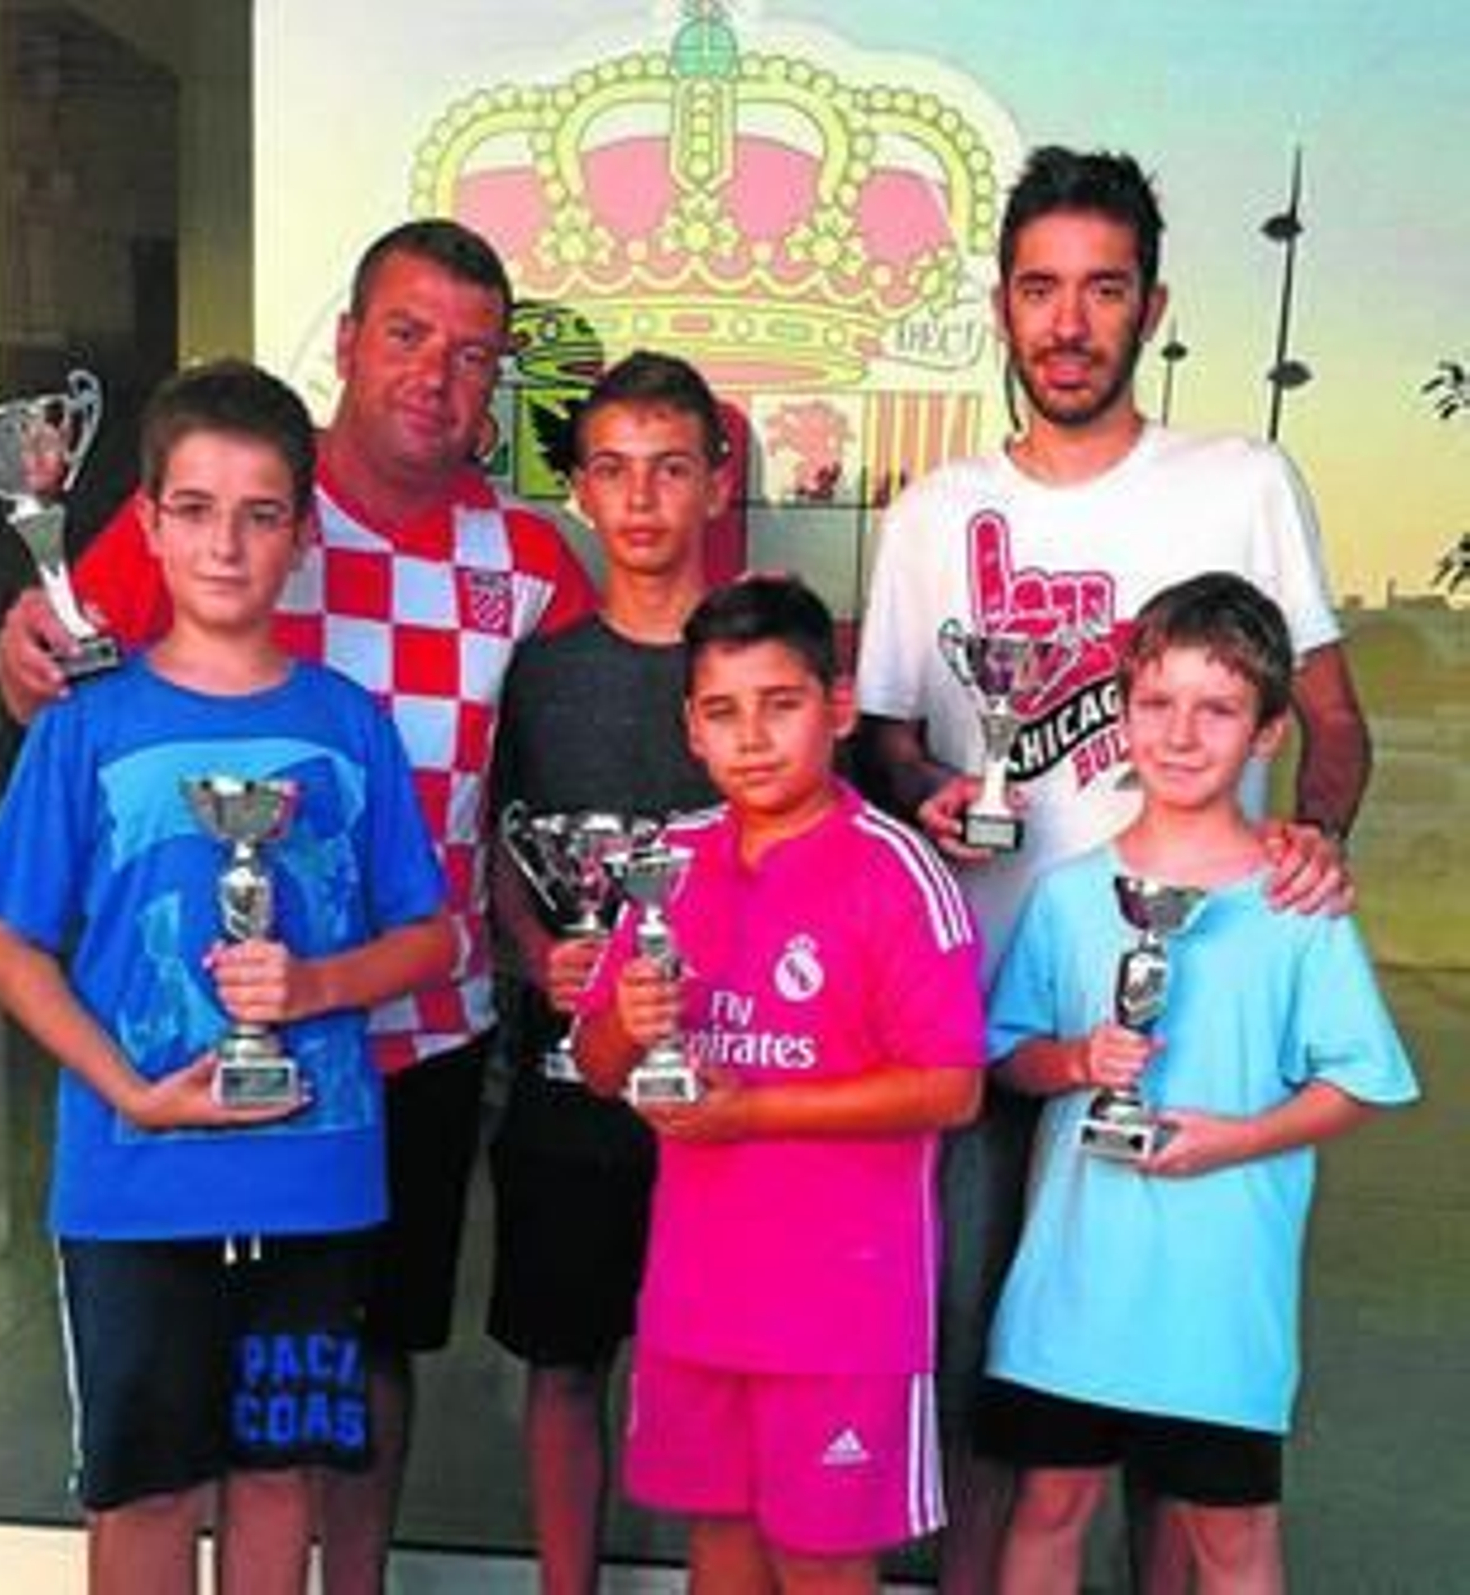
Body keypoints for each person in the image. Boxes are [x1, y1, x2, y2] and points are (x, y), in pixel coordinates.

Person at [0, 218, 594, 1594]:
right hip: (182, 1053)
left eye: (474, 355)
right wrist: (18, 654)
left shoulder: (533, 558)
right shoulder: (240, 488)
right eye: (409, 335)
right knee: (160, 1457)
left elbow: (589, 737)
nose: (437, 374)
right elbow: (59, 663)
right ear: (349, 341)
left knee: (350, 1386)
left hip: (409, 1039)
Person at [853, 145, 1369, 1594]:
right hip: (986, 1025)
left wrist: (1313, 838)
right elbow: (885, 737)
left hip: (1191, 1028)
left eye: (1102, 289)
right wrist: (930, 791)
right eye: (1040, 289)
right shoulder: (935, 510)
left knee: (1172, 1412)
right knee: (988, 1383)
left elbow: (1331, 720)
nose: (1069, 322)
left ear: (1152, 307)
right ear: (1002, 309)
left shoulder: (1240, 481)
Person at [0, 360, 456, 1595]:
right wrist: (130, 1089)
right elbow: (3, 942)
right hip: (135, 1184)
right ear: (148, 521)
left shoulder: (347, 723)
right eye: (194, 508)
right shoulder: (88, 724)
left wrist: (313, 985)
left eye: (258, 513)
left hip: (313, 1179)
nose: (225, 544)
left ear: (302, 532)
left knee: (281, 1476)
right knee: (145, 1487)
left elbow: (430, 937)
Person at [975, 571, 1417, 1595]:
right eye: (1156, 702)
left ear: (1267, 733)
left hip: (1222, 1293)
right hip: (1075, 1283)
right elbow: (1006, 1054)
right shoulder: (1068, 895)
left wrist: (1237, 1138)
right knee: (1049, 1505)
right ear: (1121, 714)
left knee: (1232, 1534)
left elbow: (1358, 1079)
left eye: (1217, 708)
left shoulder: (1297, 904)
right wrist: (1077, 1060)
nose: (1179, 734)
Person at [575, 574, 987, 1595]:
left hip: (841, 1307)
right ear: (691, 729)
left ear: (837, 708)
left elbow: (951, 1087)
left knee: (822, 1561)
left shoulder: (895, 872)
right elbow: (596, 1065)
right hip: (699, 1295)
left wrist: (749, 1110)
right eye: (723, 711)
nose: (752, 737)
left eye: (780, 703)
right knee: (718, 1549)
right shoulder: (668, 862)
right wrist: (628, 1016)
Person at [487, 350, 727, 1594]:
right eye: (614, 470)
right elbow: (499, 845)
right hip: (569, 1088)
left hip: (726, 1095)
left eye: (669, 469)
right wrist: (542, 956)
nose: (640, 499)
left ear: (716, 484)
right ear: (579, 489)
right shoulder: (539, 671)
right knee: (564, 1365)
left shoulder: (755, 666)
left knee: (718, 1379)